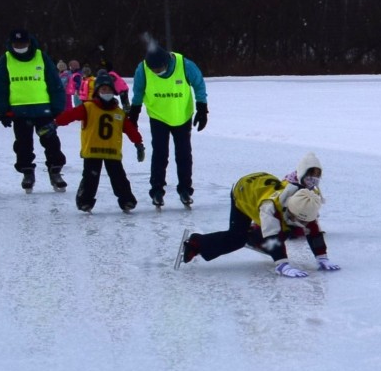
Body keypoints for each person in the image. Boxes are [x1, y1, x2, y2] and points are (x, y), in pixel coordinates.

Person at [177, 165, 339, 277]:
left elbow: (313, 230)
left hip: (262, 184)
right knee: (237, 238)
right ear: (291, 210)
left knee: (291, 230)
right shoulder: (271, 208)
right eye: (299, 219)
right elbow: (273, 237)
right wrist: (282, 264)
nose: (303, 223)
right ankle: (196, 243)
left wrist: (321, 257)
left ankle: (254, 235)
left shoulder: (305, 203)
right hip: (244, 191)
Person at [129, 43, 208, 208]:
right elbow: (138, 91)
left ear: (166, 62)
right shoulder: (143, 69)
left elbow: (199, 84)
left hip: (182, 116)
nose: (156, 73)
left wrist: (202, 107)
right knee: (159, 153)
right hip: (158, 117)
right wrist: (134, 113)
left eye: (159, 69)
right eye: (154, 70)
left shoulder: (184, 65)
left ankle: (185, 189)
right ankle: (157, 190)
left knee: (184, 154)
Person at [0, 28, 69, 191]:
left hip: (43, 110)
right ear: (11, 44)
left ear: (29, 42)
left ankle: (55, 172)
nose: (20, 46)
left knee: (51, 143)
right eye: (16, 43)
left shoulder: (42, 57)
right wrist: (3, 110)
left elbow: (55, 83)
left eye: (23, 43)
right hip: (19, 112)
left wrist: (57, 107)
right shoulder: (5, 60)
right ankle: (27, 172)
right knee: (23, 145)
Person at [53, 71, 145, 213]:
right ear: (97, 91)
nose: (106, 92)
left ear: (113, 91)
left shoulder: (119, 113)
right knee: (90, 178)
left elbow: (130, 129)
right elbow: (70, 115)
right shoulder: (88, 108)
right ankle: (85, 201)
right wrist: (56, 122)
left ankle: (127, 200)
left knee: (119, 178)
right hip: (93, 151)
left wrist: (138, 144)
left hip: (112, 152)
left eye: (108, 89)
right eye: (102, 89)